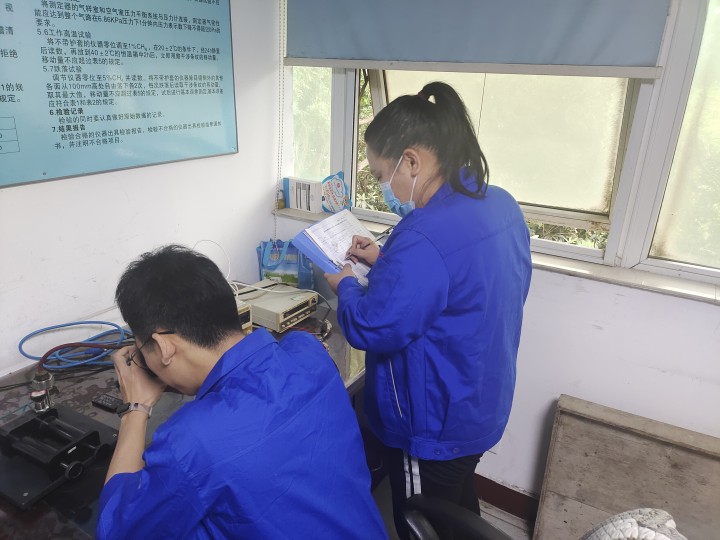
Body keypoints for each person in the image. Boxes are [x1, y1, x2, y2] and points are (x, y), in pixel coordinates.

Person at [325, 82, 532, 540]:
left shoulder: (424, 235)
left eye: (382, 174)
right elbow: (467, 285)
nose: (383, 187)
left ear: (412, 161)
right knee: (456, 504)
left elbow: (371, 326)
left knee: (422, 521)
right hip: (480, 400)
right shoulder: (499, 204)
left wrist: (345, 285)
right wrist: (386, 261)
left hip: (433, 423)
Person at [97, 245, 387, 540]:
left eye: (142, 349)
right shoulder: (308, 350)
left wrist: (135, 408)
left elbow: (117, 531)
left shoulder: (191, 440)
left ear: (163, 347)